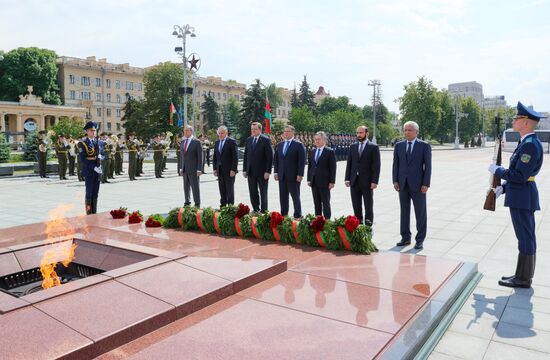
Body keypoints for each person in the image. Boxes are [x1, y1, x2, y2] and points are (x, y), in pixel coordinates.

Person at [490, 102, 544, 288]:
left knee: (526, 237)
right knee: (524, 236)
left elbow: (520, 176)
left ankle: (523, 278)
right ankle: (521, 275)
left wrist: (499, 171)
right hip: (521, 195)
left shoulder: (529, 145)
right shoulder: (526, 143)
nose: (514, 120)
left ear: (527, 123)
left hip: (522, 197)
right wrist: (503, 188)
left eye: (517, 118)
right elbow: (521, 175)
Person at [393, 121, 432, 250]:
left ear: (416, 132)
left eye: (410, 130)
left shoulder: (424, 146)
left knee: (420, 213)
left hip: (419, 185)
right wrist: (395, 181)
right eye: (405, 130)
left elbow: (428, 167)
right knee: (404, 212)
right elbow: (396, 165)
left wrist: (426, 183)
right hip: (402, 184)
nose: (407, 132)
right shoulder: (398, 146)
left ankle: (419, 240)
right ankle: (405, 238)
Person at [345, 126, 380, 225]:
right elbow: (349, 164)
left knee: (368, 205)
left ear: (367, 133)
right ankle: (358, 224)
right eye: (357, 133)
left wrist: (374, 181)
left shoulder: (373, 147)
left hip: (367, 181)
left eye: (361, 133)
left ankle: (368, 225)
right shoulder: (353, 146)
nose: (358, 135)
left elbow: (376, 166)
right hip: (354, 180)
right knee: (356, 204)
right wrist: (347, 178)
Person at [273, 125, 306, 219]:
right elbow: (276, 160)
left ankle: (297, 215)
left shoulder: (298, 145)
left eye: (288, 131)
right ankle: (283, 214)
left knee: (295, 196)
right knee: (283, 196)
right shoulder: (280, 145)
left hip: (294, 176)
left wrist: (300, 174)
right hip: (282, 176)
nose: (286, 133)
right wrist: (276, 172)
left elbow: (302, 161)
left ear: (293, 133)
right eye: (285, 131)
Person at [243, 122, 273, 213]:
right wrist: (245, 169)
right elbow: (246, 155)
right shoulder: (249, 140)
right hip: (251, 171)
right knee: (253, 191)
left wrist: (268, 171)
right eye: (252, 129)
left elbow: (270, 157)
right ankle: (256, 208)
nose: (253, 131)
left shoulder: (265, 140)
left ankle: (264, 210)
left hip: (262, 172)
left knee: (263, 192)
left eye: (255, 129)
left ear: (260, 130)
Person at [308, 131, 336, 219]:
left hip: (325, 182)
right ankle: (318, 220)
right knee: (316, 202)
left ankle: (327, 221)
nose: (316, 141)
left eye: (318, 139)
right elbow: (310, 166)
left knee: (326, 202)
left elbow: (333, 168)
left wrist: (332, 181)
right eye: (315, 139)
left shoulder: (329, 152)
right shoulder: (312, 151)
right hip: (314, 181)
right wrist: (309, 179)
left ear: (324, 140)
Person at [78, 121, 104, 215]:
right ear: (87, 131)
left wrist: (101, 157)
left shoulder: (99, 142)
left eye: (94, 130)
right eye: (91, 130)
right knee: (89, 193)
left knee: (96, 193)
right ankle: (89, 212)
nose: (93, 132)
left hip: (98, 170)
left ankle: (94, 212)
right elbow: (83, 159)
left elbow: (103, 154)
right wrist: (93, 167)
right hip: (89, 171)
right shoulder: (82, 144)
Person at [213, 126, 239, 207]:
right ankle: (223, 206)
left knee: (229, 190)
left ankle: (230, 207)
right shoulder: (217, 142)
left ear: (226, 133)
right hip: (220, 170)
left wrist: (233, 169)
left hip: (229, 171)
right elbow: (215, 157)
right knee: (222, 189)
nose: (220, 135)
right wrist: (214, 169)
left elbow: (235, 157)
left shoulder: (231, 141)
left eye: (222, 133)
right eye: (219, 133)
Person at [180, 125, 202, 207]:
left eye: (187, 130)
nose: (185, 132)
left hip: (194, 169)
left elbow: (200, 157)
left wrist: (199, 169)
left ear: (191, 131)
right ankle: (187, 202)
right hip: (185, 169)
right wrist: (181, 168)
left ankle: (197, 203)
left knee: (195, 187)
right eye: (184, 130)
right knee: (186, 187)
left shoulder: (196, 142)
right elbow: (182, 157)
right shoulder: (183, 142)